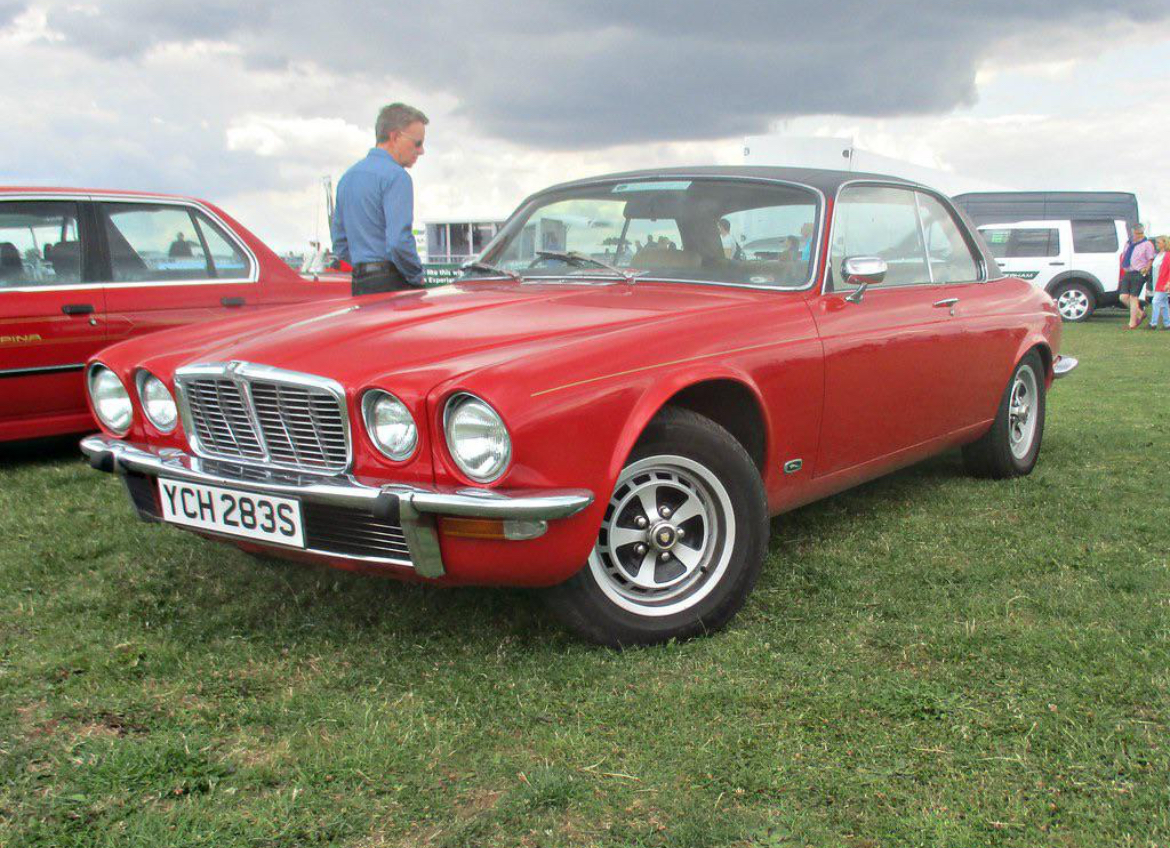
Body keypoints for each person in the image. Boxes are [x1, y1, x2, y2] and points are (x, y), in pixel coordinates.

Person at [331, 102, 428, 295]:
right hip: (392, 283)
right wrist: (417, 276)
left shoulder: (347, 178)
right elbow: (398, 242)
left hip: (360, 284)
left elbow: (340, 245)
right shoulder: (397, 177)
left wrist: (365, 266)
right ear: (395, 137)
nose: (421, 151)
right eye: (417, 143)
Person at [1119, 223, 1155, 329]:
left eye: (1141, 233)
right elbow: (1124, 254)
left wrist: (1146, 270)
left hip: (1139, 272)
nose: (1139, 235)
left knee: (1133, 297)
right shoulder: (1128, 243)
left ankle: (1132, 323)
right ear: (1133, 232)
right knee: (1123, 297)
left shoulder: (1147, 244)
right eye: (1137, 233)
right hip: (1128, 271)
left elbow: (1150, 259)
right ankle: (1140, 313)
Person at [1149, 235, 1170, 330]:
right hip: (1157, 282)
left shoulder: (1168, 255)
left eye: (1159, 242)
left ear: (1164, 243)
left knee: (1156, 301)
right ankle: (1167, 324)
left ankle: (1153, 323)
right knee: (1164, 303)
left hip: (1164, 282)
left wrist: (1168, 282)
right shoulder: (1158, 255)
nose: (1156, 244)